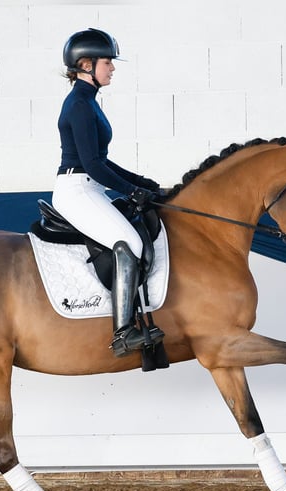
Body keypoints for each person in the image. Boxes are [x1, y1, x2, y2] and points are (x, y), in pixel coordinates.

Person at [52, 28, 164, 358]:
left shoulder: (87, 101)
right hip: (77, 189)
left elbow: (102, 161)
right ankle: (123, 333)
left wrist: (142, 183)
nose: (113, 68)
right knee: (128, 242)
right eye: (108, 62)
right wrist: (132, 190)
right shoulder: (80, 105)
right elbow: (93, 164)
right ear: (86, 64)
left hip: (89, 186)